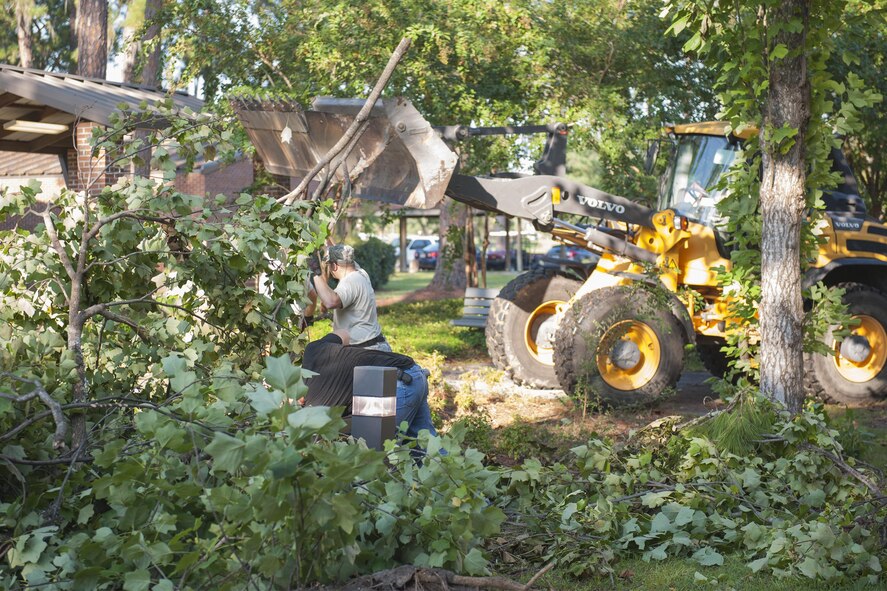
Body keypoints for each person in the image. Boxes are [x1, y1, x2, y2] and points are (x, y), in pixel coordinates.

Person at [300, 330, 437, 441]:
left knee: (377, 450)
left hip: (395, 385)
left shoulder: (316, 409)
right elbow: (343, 333)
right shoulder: (312, 350)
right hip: (413, 372)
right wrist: (346, 362)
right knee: (428, 446)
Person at [309, 244, 391, 352]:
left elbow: (331, 302)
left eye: (329, 265)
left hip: (366, 351)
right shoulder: (361, 273)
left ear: (334, 266)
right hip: (375, 345)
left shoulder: (350, 281)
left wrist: (315, 272)